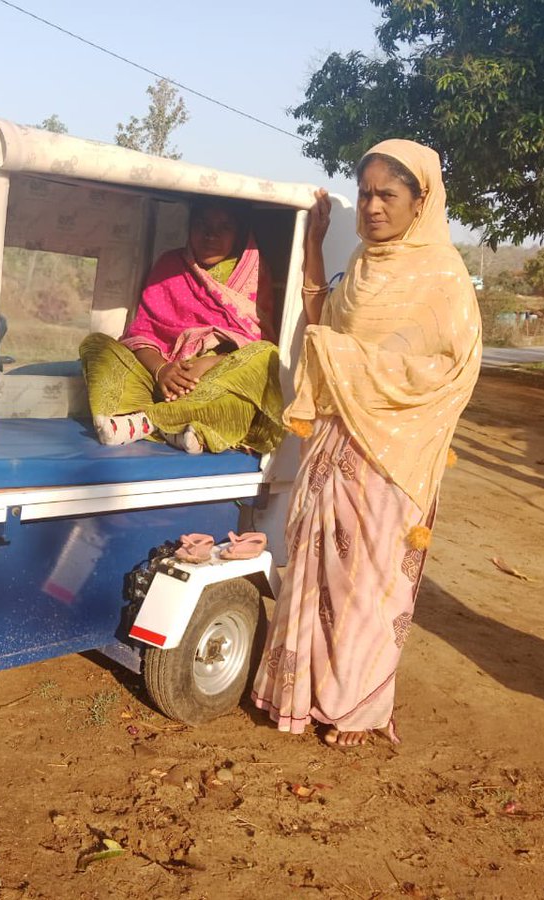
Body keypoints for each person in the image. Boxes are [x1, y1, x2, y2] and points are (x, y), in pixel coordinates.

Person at [250, 140, 482, 748]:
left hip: (394, 453)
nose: (373, 207)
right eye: (366, 193)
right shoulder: (359, 264)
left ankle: (357, 705)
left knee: (370, 581)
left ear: (420, 201)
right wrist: (309, 250)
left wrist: (353, 367)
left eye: (388, 195)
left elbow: (455, 369)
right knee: (318, 567)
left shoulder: (440, 276)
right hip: (334, 440)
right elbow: (327, 329)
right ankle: (300, 693)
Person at [79, 201, 284, 455]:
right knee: (97, 345)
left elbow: (252, 343)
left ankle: (150, 422)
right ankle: (171, 426)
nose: (210, 234)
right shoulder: (170, 265)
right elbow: (141, 333)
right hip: (162, 379)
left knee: (266, 356)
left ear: (240, 234)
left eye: (224, 227)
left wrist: (208, 364)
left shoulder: (252, 273)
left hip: (213, 383)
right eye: (202, 225)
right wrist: (162, 369)